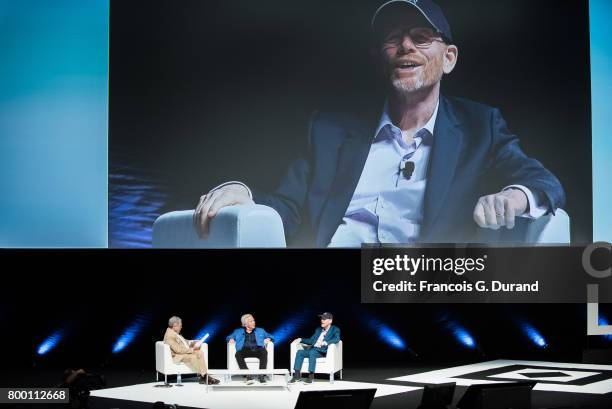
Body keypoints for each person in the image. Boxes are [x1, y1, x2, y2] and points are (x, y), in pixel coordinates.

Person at [193, 0, 565, 247]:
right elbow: (290, 207)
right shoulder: (329, 130)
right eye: (393, 39)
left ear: (449, 58)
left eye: (421, 38)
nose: (406, 47)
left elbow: (544, 183)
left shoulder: (479, 126)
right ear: (379, 60)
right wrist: (246, 194)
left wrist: (514, 197)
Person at [163, 316, 219, 385]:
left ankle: (202, 377)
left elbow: (184, 342)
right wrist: (192, 349)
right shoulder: (169, 335)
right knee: (193, 357)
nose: (181, 327)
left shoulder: (174, 333)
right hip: (177, 356)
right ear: (174, 325)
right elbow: (178, 350)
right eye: (180, 326)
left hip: (183, 353)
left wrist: (193, 342)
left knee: (200, 352)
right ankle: (205, 377)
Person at [290, 312, 341, 384]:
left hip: (322, 351)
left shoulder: (335, 329)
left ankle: (311, 376)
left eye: (324, 319)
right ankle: (297, 376)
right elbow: (311, 341)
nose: (322, 320)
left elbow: (337, 339)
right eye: (321, 318)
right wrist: (301, 339)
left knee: (312, 352)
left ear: (330, 321)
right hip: (313, 350)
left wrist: (325, 343)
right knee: (300, 352)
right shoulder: (318, 329)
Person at [226, 313, 274, 384]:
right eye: (251, 321)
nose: (254, 322)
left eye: (253, 320)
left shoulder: (261, 330)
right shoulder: (238, 331)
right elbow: (228, 337)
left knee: (264, 351)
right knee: (238, 354)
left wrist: (269, 338)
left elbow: (271, 336)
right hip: (245, 350)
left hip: (257, 349)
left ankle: (261, 375)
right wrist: (230, 339)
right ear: (245, 324)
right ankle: (248, 375)